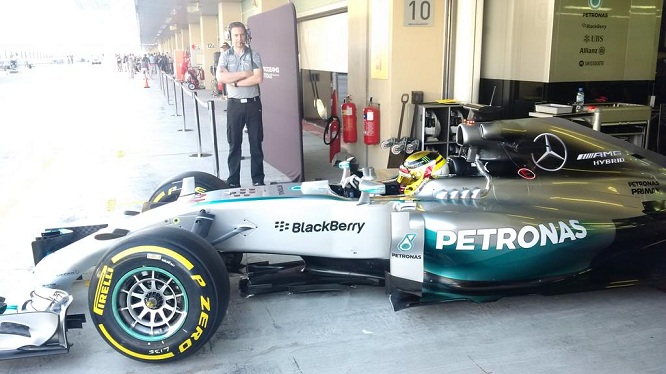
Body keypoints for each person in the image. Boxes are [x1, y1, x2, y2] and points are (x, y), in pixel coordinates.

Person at [216, 22, 264, 187]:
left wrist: (234, 81)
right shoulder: (225, 56)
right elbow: (221, 78)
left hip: (253, 105)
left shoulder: (254, 55)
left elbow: (258, 78)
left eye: (242, 35)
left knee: (256, 144)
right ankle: (233, 182)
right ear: (230, 37)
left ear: (246, 35)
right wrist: (244, 74)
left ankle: (258, 180)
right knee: (234, 144)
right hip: (234, 105)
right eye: (235, 35)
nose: (239, 38)